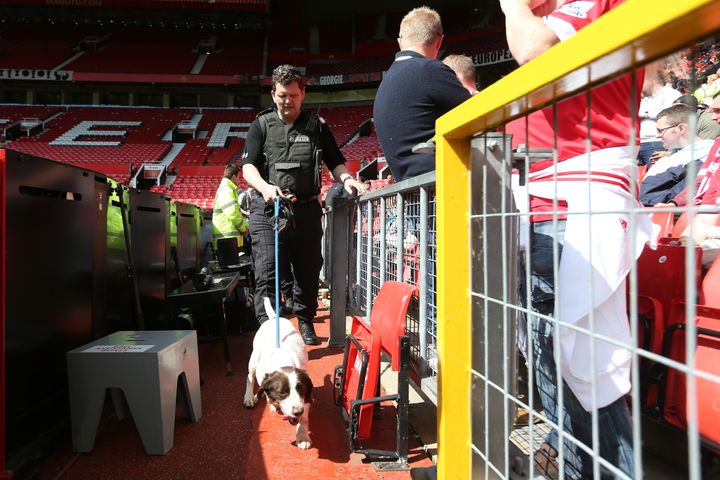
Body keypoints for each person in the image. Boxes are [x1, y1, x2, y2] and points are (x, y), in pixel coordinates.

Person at [501, 0, 653, 478]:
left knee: (584, 370)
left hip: (576, 203)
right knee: (558, 371)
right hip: (546, 204)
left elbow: (533, 48)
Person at [241, 64, 366, 345]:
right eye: (283, 95)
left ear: (303, 94)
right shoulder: (260, 125)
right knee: (267, 273)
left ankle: (306, 321)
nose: (288, 101)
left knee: (309, 271)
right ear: (273, 94)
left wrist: (347, 179)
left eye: (294, 95)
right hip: (269, 210)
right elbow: (248, 167)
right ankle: (269, 334)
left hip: (307, 210)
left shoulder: (317, 126)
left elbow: (335, 161)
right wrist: (265, 187)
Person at [373, 6, 471, 182]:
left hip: (412, 194)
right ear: (439, 42)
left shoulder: (385, 83)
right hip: (439, 188)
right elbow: (475, 115)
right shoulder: (430, 70)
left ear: (399, 42)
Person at [640, 104, 715, 206]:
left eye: (661, 130)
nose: (657, 135)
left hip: (659, 210)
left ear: (681, 128)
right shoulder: (677, 154)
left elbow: (688, 189)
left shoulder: (705, 153)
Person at [212, 163, 249, 254]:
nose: (239, 180)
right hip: (228, 239)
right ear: (233, 177)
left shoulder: (226, 189)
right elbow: (233, 213)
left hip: (227, 239)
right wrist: (243, 229)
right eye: (238, 177)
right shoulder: (227, 190)